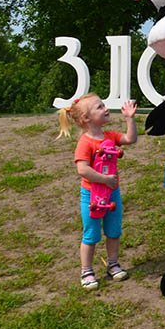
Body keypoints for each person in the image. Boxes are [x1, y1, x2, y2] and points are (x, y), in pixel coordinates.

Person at [58, 94, 138, 290]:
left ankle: (113, 264)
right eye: (100, 107)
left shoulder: (110, 136)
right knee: (91, 234)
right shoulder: (85, 143)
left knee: (113, 231)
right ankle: (86, 271)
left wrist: (129, 118)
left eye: (104, 105)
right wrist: (105, 179)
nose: (106, 108)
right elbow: (82, 170)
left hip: (112, 194)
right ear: (86, 118)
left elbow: (130, 139)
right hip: (91, 195)